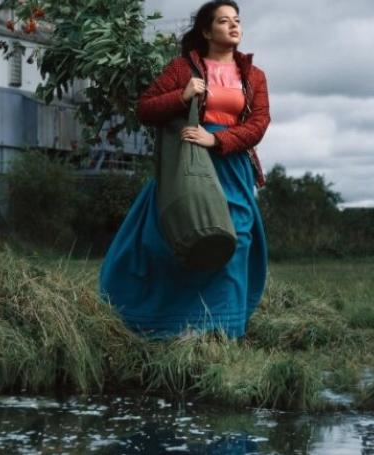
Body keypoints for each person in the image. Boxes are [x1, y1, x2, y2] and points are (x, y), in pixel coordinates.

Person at [99, 0, 270, 339]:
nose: (234, 26)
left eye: (237, 20)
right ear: (206, 31)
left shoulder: (254, 76)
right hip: (190, 167)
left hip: (233, 166)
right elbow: (146, 109)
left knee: (236, 240)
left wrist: (216, 140)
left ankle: (223, 332)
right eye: (224, 21)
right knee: (169, 240)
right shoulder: (182, 68)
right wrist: (182, 95)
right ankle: (170, 325)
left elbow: (259, 123)